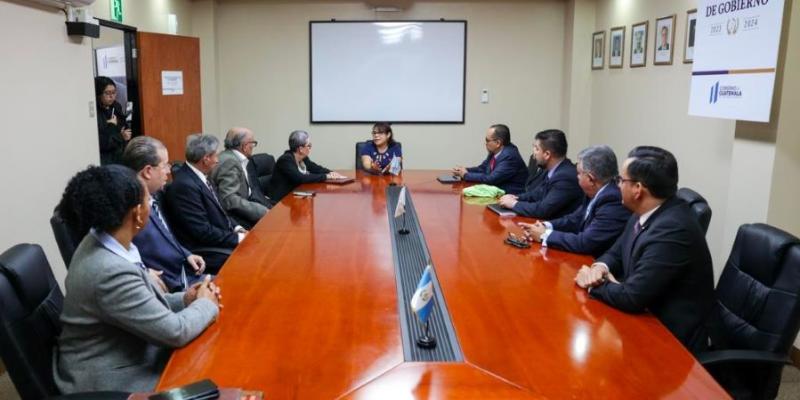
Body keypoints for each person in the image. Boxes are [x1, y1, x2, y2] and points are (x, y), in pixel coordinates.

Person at [53, 164, 220, 393]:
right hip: (113, 380)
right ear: (138, 214)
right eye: (149, 201)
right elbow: (175, 332)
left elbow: (137, 303)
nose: (152, 205)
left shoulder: (105, 240)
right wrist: (205, 304)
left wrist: (185, 299)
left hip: (129, 349)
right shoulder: (109, 271)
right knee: (217, 373)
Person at [574, 146, 714, 354]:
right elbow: (616, 252)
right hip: (647, 317)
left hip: (673, 342)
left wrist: (593, 283)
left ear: (638, 189)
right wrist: (600, 268)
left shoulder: (673, 230)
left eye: (621, 180)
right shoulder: (645, 211)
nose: (617, 185)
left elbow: (632, 297)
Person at [122, 136, 208, 292]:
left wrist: (186, 254)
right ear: (148, 171)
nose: (169, 171)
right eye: (165, 165)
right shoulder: (128, 211)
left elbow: (166, 237)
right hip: (170, 288)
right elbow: (116, 254)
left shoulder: (155, 197)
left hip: (187, 274)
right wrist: (143, 272)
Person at [518, 145, 630, 257]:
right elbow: (575, 219)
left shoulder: (613, 201)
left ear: (591, 179)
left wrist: (544, 235)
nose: (576, 177)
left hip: (595, 263)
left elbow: (585, 242)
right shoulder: (597, 190)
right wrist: (545, 226)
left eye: (579, 173)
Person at [164, 134, 247, 272]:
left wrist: (237, 228)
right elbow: (202, 231)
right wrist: (239, 238)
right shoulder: (184, 185)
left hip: (221, 239)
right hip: (206, 251)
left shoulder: (200, 176)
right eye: (215, 155)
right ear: (206, 159)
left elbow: (220, 211)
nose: (217, 160)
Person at [497, 129, 583, 218]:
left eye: (537, 149)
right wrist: (514, 197)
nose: (534, 153)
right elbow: (536, 194)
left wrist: (514, 204)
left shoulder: (565, 177)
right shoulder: (552, 169)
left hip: (557, 228)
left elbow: (542, 210)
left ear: (547, 154)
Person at [210, 127, 270, 228]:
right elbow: (229, 200)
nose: (253, 146)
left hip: (248, 205)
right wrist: (263, 211)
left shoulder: (232, 157)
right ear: (245, 146)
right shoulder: (230, 162)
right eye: (253, 143)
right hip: (235, 217)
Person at [266, 130, 347, 202]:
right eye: (309, 145)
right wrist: (326, 176)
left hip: (296, 195)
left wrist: (332, 173)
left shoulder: (303, 158)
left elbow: (315, 168)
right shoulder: (285, 160)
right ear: (300, 149)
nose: (310, 148)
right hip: (282, 201)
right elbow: (300, 178)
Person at [452, 124, 528, 195]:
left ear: (498, 143)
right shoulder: (495, 151)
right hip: (497, 192)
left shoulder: (509, 156)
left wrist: (466, 175)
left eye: (487, 140)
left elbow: (491, 179)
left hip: (511, 195)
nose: (485, 143)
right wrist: (464, 170)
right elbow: (482, 168)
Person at [95, 76, 132, 165]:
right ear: (98, 93)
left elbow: (123, 127)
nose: (111, 96)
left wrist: (124, 136)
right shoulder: (95, 112)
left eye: (114, 92)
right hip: (104, 158)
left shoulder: (116, 106)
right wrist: (113, 128)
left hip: (119, 155)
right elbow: (101, 142)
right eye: (107, 93)